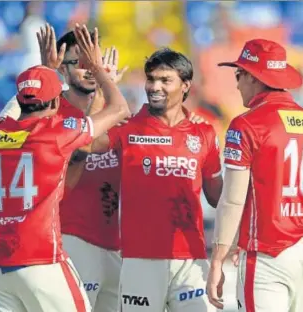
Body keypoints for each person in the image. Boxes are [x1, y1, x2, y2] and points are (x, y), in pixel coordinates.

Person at [0, 24, 130, 312]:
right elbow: (117, 111)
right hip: (41, 257)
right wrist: (101, 73)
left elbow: (14, 111)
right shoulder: (56, 132)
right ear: (54, 100)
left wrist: (43, 72)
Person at [88, 47, 223, 312]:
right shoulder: (128, 127)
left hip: (190, 260)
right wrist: (102, 90)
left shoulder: (204, 131)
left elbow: (218, 197)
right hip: (140, 260)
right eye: (151, 79)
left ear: (185, 85)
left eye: (165, 80)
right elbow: (85, 144)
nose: (154, 87)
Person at [206, 38, 303, 312]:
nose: (236, 84)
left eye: (239, 75)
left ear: (253, 77)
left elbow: (233, 200)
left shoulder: (246, 125)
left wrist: (217, 259)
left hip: (267, 252)